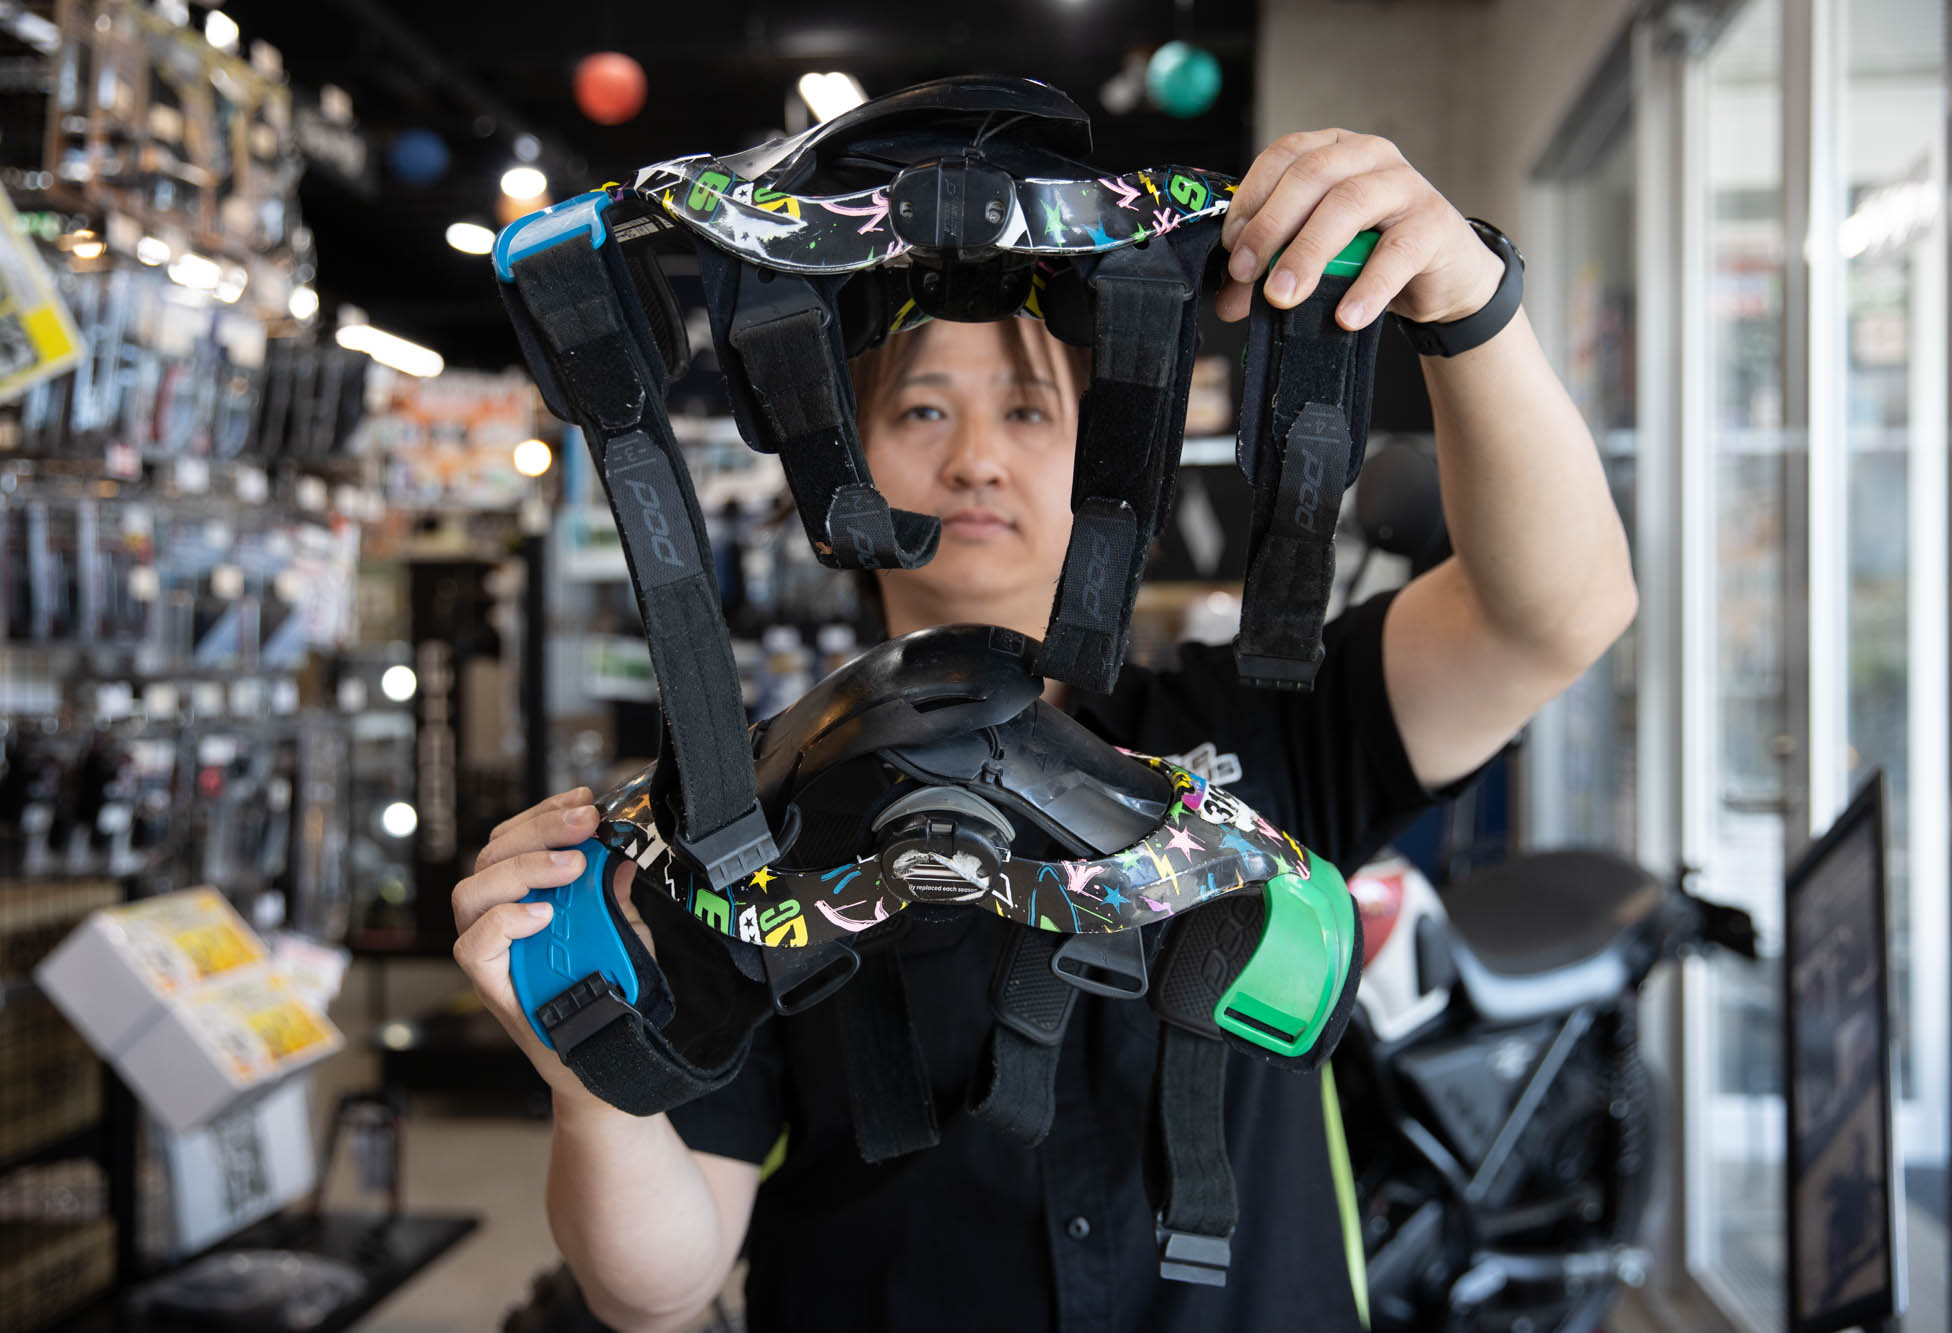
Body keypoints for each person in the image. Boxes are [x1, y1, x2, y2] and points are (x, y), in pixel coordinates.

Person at [451, 128, 1637, 1332]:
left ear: (1103, 445)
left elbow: (1555, 615)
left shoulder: (1257, 726)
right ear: (837, 450)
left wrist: (1469, 303)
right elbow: (656, 1287)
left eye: (1025, 409)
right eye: (921, 409)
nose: (974, 459)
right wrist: (588, 1071)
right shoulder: (742, 819)